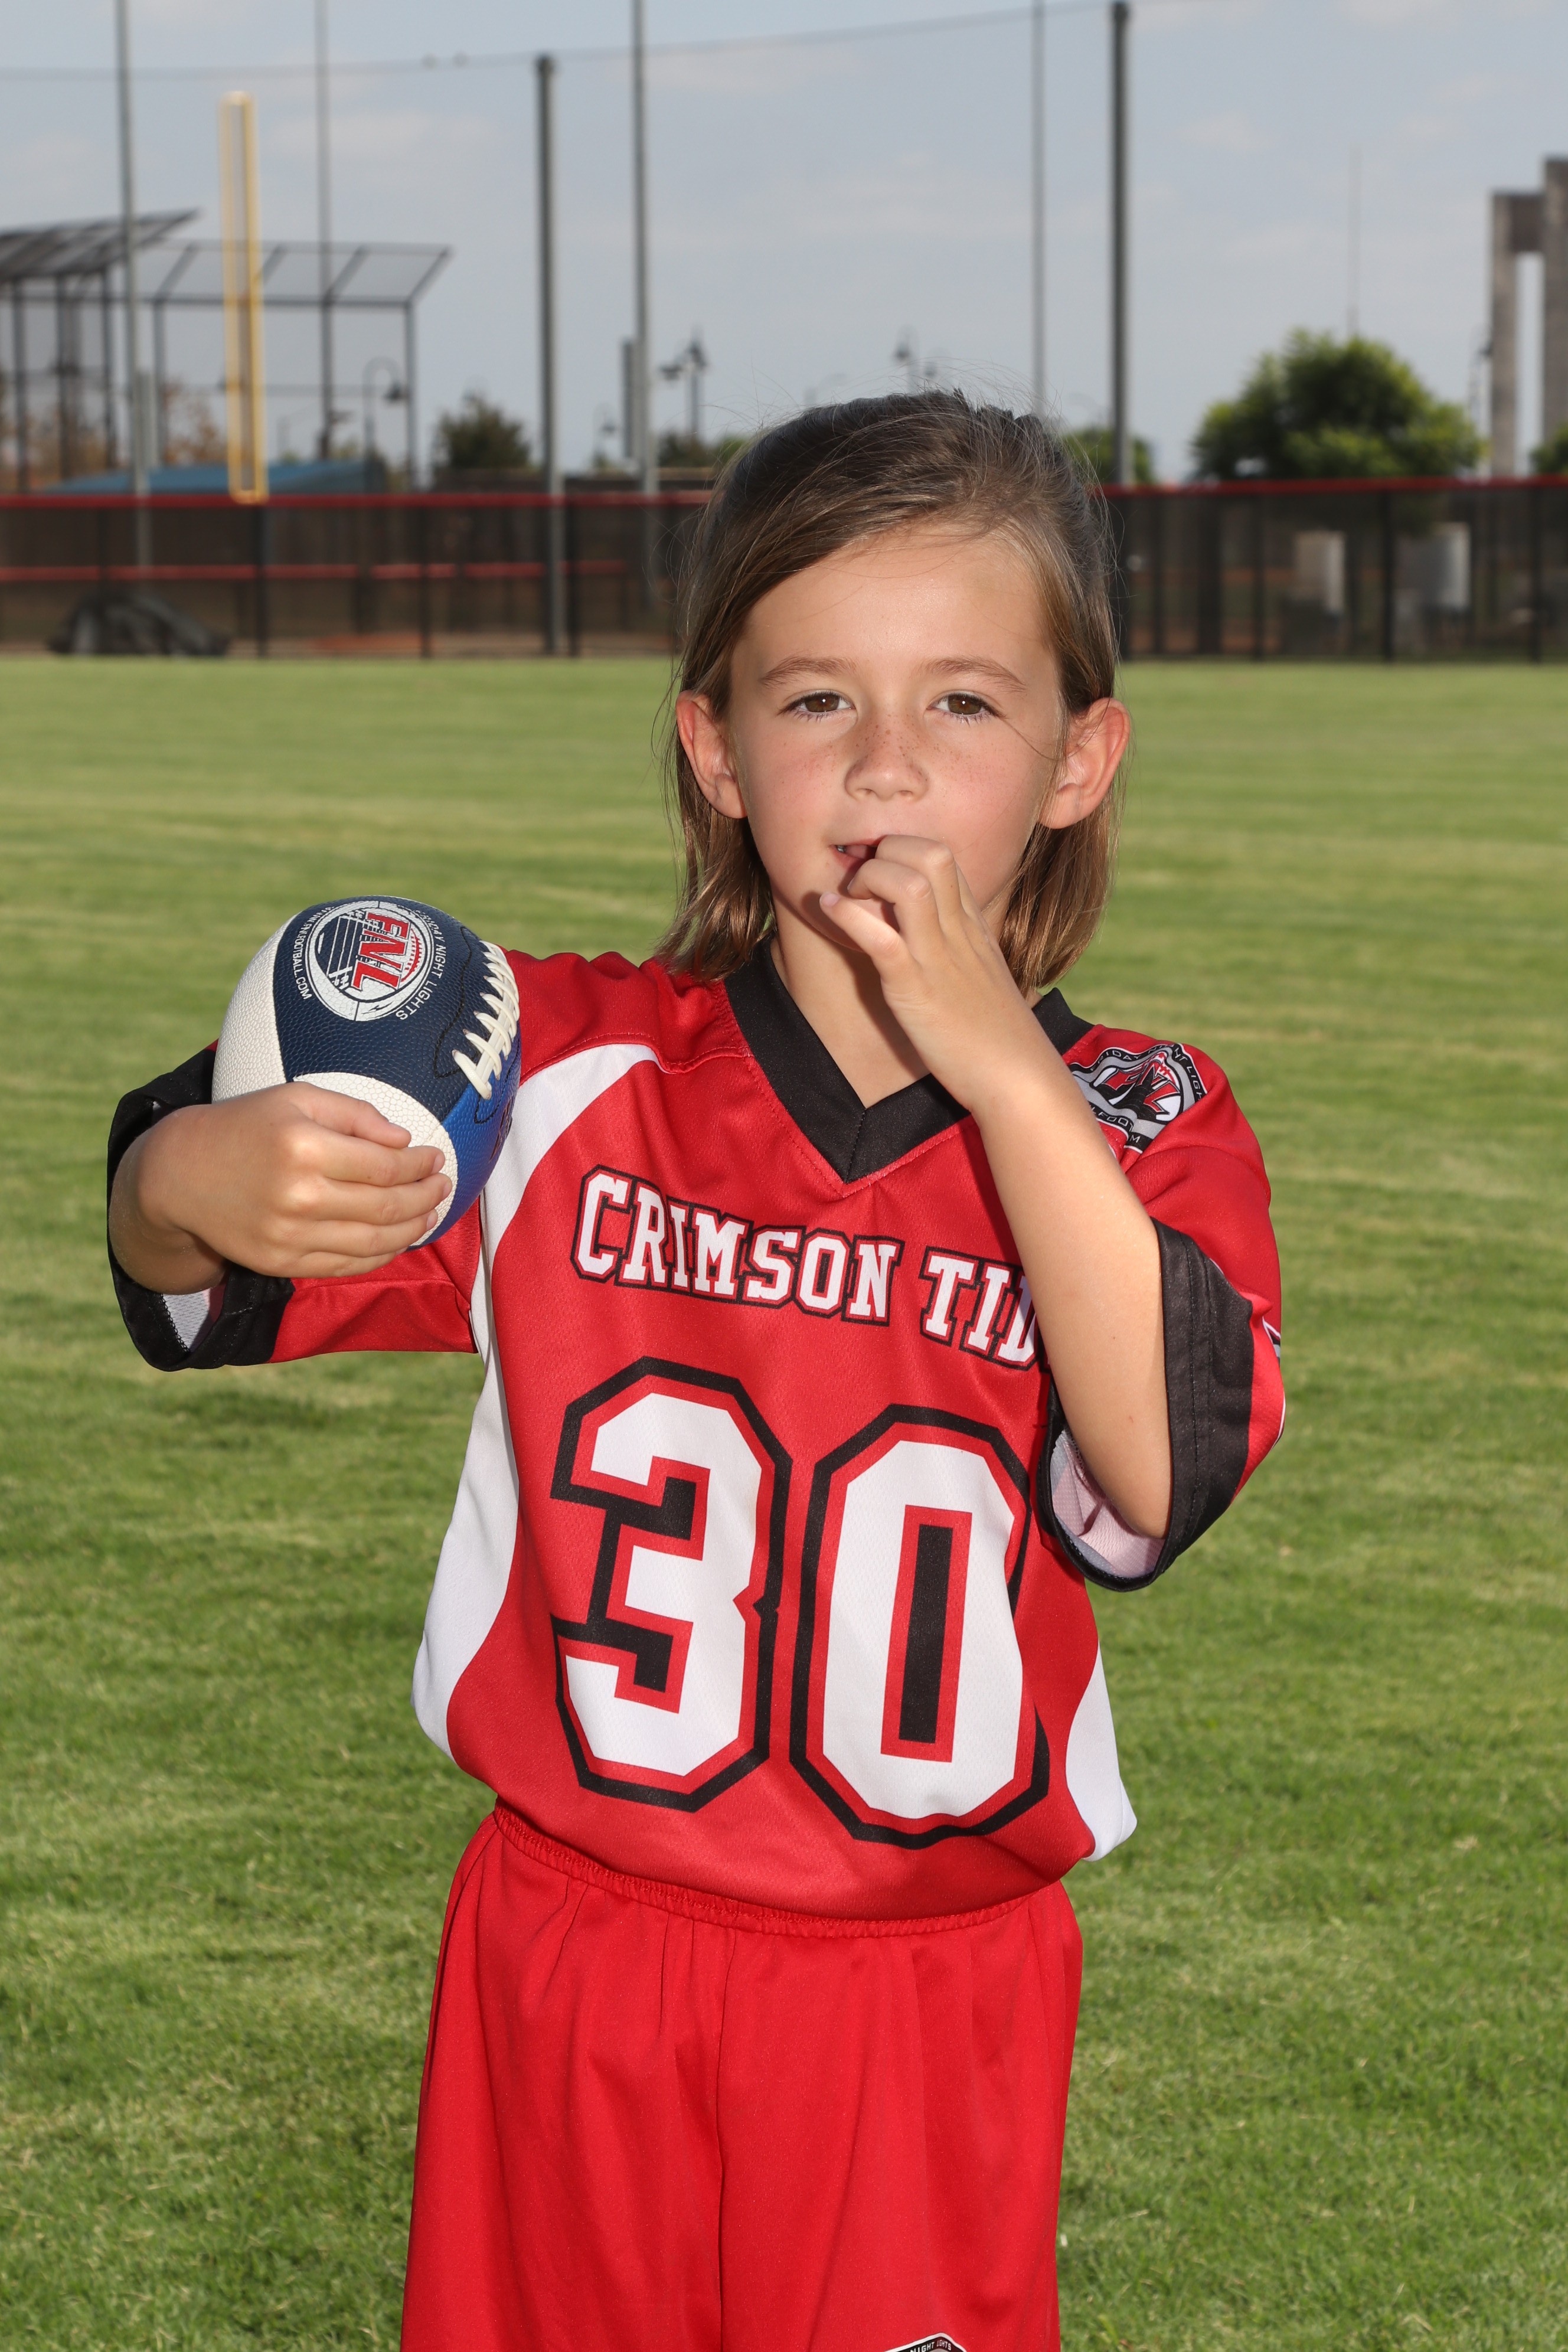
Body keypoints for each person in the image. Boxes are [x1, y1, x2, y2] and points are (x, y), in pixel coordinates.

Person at [107, 393, 1284, 2352]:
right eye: (818, 700)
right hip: (571, 1956)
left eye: (963, 704)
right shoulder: (560, 1072)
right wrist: (181, 1180)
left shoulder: (1138, 1127)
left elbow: (1165, 1467)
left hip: (921, 1992)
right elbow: (185, 1257)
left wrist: (1005, 1071)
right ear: (716, 748)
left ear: (1081, 759)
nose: (886, 767)